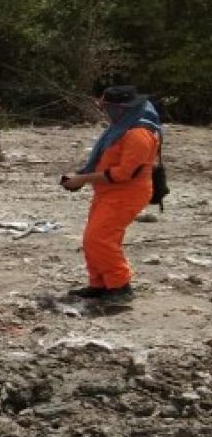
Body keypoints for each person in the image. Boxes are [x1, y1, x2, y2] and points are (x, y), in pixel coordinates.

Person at [61, 85, 162, 301]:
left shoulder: (138, 134)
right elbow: (106, 162)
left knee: (99, 239)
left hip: (127, 193)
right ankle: (100, 284)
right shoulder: (121, 128)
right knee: (94, 239)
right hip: (109, 192)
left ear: (119, 109)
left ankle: (120, 286)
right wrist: (81, 175)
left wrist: (83, 179)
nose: (104, 113)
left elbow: (123, 174)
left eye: (107, 108)